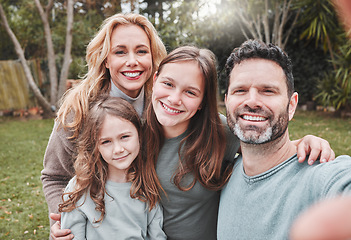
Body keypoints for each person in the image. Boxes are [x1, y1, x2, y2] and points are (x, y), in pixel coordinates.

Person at [51, 46, 335, 240]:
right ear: (154, 82)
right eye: (168, 84)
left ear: (202, 103)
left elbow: (264, 139)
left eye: (190, 92)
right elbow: (84, 173)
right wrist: (65, 225)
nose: (174, 99)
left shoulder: (219, 132)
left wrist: (304, 141)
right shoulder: (133, 134)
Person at [41, 12, 167, 228]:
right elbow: (54, 177)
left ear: (153, 57)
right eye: (120, 52)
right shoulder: (78, 108)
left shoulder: (164, 104)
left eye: (141, 51)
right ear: (106, 59)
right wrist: (62, 221)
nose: (132, 61)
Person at [217, 39, 351, 240]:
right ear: (227, 101)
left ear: (291, 105)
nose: (252, 101)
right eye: (240, 90)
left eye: (268, 91)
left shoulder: (322, 176)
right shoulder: (226, 172)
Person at [59, 96, 166, 239]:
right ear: (95, 146)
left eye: (124, 137)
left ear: (139, 136)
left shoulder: (146, 184)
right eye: (106, 142)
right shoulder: (80, 188)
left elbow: (157, 235)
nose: (118, 149)